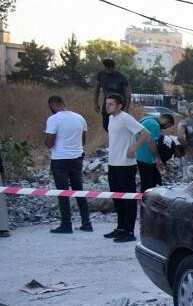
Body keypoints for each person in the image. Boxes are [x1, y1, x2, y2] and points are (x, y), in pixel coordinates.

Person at [104, 94, 154, 242]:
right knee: (117, 198)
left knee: (128, 198)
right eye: (107, 104)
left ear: (119, 105)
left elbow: (145, 134)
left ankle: (129, 231)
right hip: (113, 163)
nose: (107, 106)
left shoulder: (126, 118)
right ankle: (120, 227)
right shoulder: (111, 118)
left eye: (111, 104)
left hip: (125, 164)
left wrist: (134, 147)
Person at [44, 95, 93, 234]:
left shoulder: (53, 119)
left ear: (52, 105)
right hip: (77, 157)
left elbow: (49, 142)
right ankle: (86, 222)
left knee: (62, 192)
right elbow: (83, 141)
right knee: (79, 190)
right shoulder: (79, 118)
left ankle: (66, 224)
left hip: (60, 159)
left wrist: (47, 142)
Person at [130, 111, 170, 192]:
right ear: (166, 121)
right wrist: (157, 158)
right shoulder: (155, 125)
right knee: (148, 185)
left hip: (138, 154)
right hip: (146, 157)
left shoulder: (147, 119)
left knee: (155, 180)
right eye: (167, 126)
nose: (165, 128)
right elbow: (151, 142)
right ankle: (146, 202)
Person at [93, 58, 131, 132]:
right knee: (106, 124)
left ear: (113, 68)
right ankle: (111, 137)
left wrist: (126, 107)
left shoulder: (121, 78)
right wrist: (96, 104)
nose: (108, 71)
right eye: (106, 69)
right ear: (105, 67)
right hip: (107, 102)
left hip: (119, 104)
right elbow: (96, 89)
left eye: (110, 69)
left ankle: (115, 139)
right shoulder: (101, 75)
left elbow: (128, 93)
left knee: (117, 124)